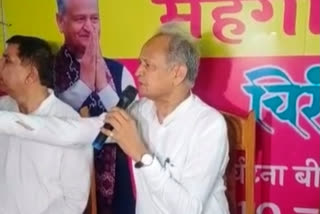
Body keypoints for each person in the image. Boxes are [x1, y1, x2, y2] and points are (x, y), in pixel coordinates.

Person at [0, 23, 230, 213]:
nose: (137, 71)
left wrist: (141, 154)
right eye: (140, 63)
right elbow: (74, 131)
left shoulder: (209, 125)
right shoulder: (139, 111)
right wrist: (6, 121)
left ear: (177, 73)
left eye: (147, 65)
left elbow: (189, 209)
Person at [54, 0, 136, 212]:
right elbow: (50, 119)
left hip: (117, 185)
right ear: (60, 22)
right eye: (80, 19)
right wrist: (83, 84)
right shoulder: (46, 70)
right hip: (59, 184)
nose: (89, 27)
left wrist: (101, 85)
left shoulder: (118, 72)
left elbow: (134, 127)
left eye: (95, 19)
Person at [0, 35, 92, 214]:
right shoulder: (3, 108)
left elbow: (73, 201)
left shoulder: (69, 124)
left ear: (31, 75)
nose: (0, 66)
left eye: (7, 61)